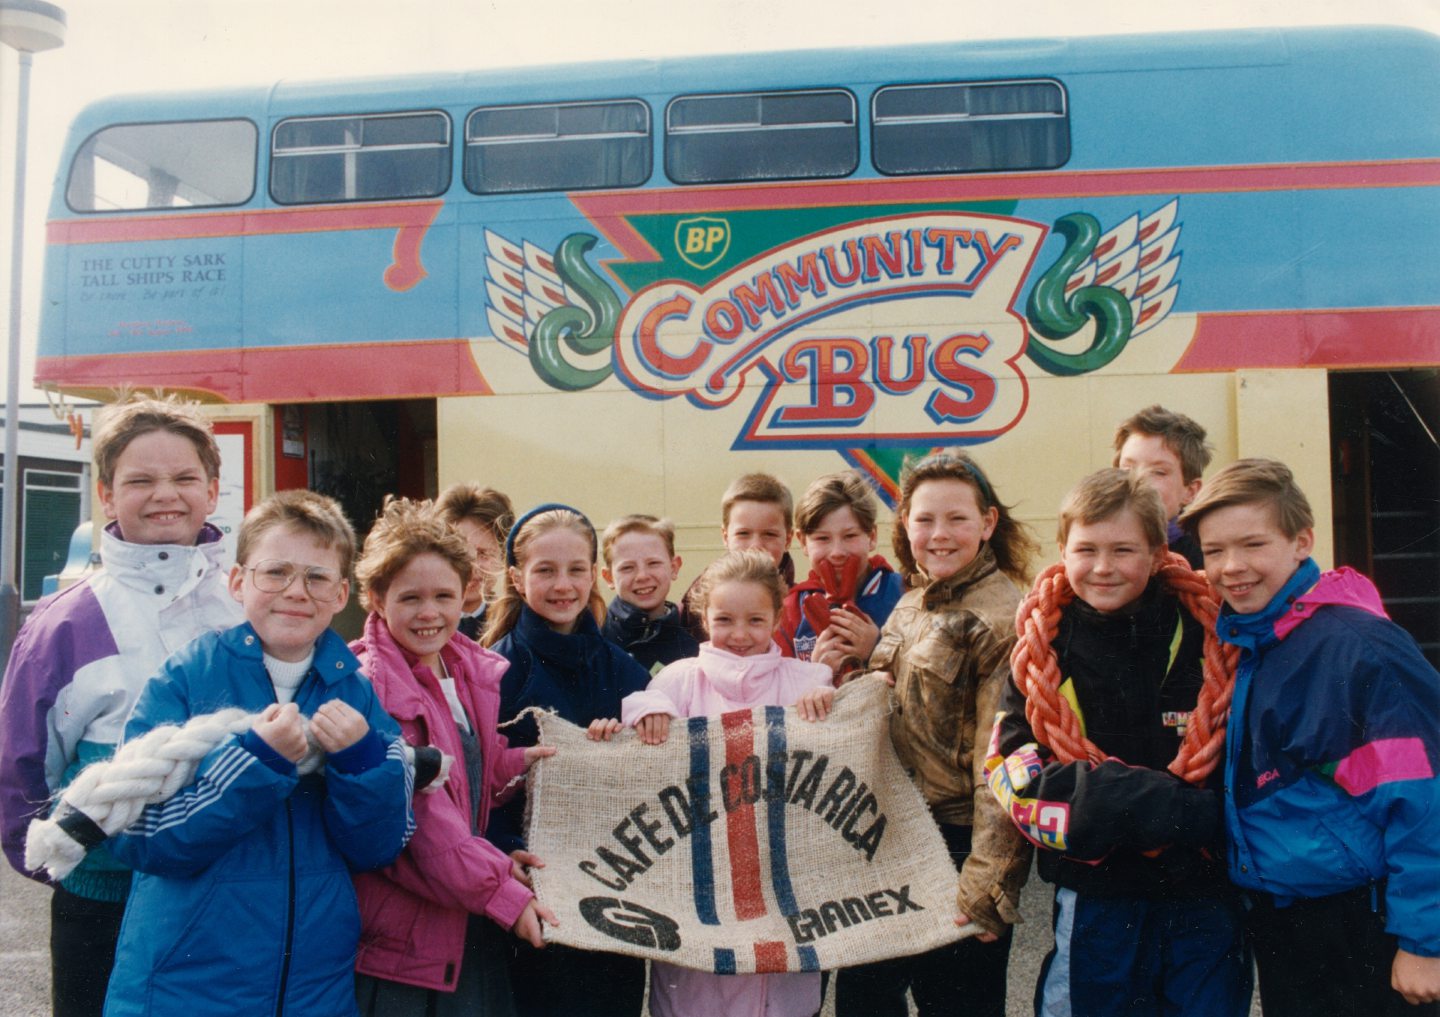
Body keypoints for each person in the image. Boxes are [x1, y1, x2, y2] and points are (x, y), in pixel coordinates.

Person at [102, 489, 413, 1017]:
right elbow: (137, 835)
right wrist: (252, 766)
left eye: (317, 578)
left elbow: (377, 847)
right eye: (276, 572)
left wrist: (361, 765)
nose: (297, 591)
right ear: (238, 581)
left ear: (341, 596)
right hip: (186, 988)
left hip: (315, 991)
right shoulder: (185, 678)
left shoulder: (354, 689)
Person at [0, 394, 241, 1017]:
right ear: (106, 495)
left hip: (229, 897)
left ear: (213, 491)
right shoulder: (63, 623)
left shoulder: (247, 602)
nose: (166, 494)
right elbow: (22, 771)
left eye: (185, 477)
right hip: (101, 906)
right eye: (140, 480)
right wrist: (74, 859)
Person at [1181, 458, 1440, 1015]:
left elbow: (1425, 798)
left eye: (1253, 545)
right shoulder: (1260, 641)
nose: (1231, 568)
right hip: (1290, 926)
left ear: (1302, 542)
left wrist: (1426, 942)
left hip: (1364, 928)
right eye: (1214, 551)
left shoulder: (1358, 647)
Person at [988, 469, 1250, 1016]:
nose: (1103, 568)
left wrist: (1121, 802)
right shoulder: (1040, 652)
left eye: (1124, 550)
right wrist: (1170, 806)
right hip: (1097, 899)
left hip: (1202, 895)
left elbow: (1246, 760)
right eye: (1086, 549)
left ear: (1158, 552)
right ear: (1063, 549)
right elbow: (1015, 773)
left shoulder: (1216, 637)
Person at [588, 548, 834, 1017]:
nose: (739, 635)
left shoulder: (808, 681)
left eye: (756, 620)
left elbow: (839, 747)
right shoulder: (678, 681)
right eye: (724, 619)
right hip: (698, 889)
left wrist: (831, 701)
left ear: (778, 615)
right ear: (703, 616)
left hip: (781, 886)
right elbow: (639, 731)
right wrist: (642, 717)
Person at [833, 452, 1036, 1017]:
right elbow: (892, 705)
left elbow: (1002, 761)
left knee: (957, 1005)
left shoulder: (1002, 619)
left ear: (988, 523)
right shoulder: (912, 600)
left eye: (957, 519)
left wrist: (989, 884)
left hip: (956, 847)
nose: (939, 535)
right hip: (886, 837)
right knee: (864, 1001)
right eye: (924, 520)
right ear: (905, 526)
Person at [350, 497, 556, 1017]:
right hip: (406, 945)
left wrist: (529, 762)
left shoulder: (460, 667)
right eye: (410, 597)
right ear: (376, 597)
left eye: (443, 596)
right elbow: (427, 825)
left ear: (466, 594)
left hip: (461, 917)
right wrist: (506, 894)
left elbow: (469, 773)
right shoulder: (373, 686)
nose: (429, 613)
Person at [483, 503, 649, 1017]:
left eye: (576, 570)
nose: (563, 585)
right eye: (545, 571)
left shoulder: (625, 671)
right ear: (516, 577)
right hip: (535, 893)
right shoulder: (495, 670)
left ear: (595, 573)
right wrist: (504, 849)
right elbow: (477, 781)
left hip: (617, 890)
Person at [779, 470, 904, 673]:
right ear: (802, 542)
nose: (837, 552)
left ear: (872, 537)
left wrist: (877, 648)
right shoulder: (790, 609)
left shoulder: (905, 595)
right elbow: (775, 689)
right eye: (822, 538)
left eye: (850, 536)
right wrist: (813, 673)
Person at [678, 473, 796, 644]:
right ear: (725, 537)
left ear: (789, 539)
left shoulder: (802, 603)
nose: (755, 546)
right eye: (743, 534)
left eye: (769, 534)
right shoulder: (696, 601)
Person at [1112, 404, 1212, 568]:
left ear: (1190, 491)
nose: (1138, 479)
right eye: (1127, 469)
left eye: (1158, 472)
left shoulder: (1202, 558)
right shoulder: (1093, 548)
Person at [600, 514, 698, 674]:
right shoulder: (593, 637)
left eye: (653, 563)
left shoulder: (689, 650)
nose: (642, 576)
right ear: (609, 577)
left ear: (674, 567)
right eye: (627, 568)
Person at [437, 482, 514, 640]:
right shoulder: (425, 624)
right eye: (460, 554)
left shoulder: (512, 623)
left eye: (483, 553)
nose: (472, 567)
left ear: (502, 556)